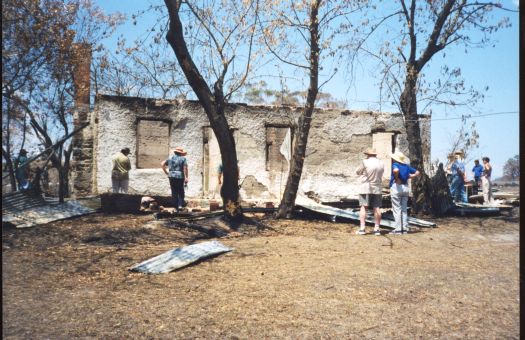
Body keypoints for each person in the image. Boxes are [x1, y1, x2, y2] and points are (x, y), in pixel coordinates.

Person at [355, 148, 384, 235]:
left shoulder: (364, 162)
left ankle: (362, 228)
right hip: (377, 187)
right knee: (377, 207)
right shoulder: (381, 163)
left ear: (368, 154)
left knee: (363, 207)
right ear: (375, 154)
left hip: (365, 187)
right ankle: (377, 229)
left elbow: (357, 172)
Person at [389, 151, 420, 234]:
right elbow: (417, 172)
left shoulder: (395, 165)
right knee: (404, 209)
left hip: (397, 187)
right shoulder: (406, 166)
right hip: (405, 187)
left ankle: (398, 229)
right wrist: (410, 176)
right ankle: (405, 228)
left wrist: (396, 178)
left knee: (397, 209)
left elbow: (395, 170)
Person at [161, 146, 188, 212]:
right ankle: (180, 205)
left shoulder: (170, 158)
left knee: (174, 191)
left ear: (175, 152)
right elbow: (185, 168)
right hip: (180, 176)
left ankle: (175, 207)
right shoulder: (183, 159)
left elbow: (162, 164)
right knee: (180, 190)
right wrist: (186, 177)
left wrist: (166, 172)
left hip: (171, 176)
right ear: (181, 153)